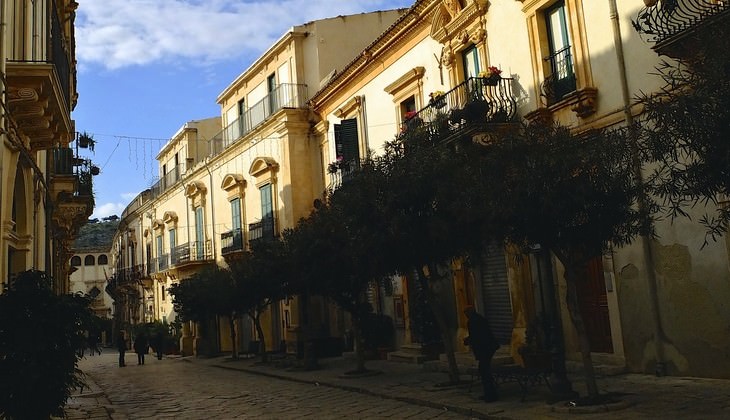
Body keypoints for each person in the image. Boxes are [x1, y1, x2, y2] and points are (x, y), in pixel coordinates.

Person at [464, 307, 500, 402]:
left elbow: (476, 336)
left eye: (466, 313)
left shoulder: (472, 321)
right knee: (485, 370)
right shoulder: (480, 319)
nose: (465, 315)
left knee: (484, 371)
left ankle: (491, 395)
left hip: (485, 348)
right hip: (489, 347)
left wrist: (467, 341)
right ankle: (490, 394)